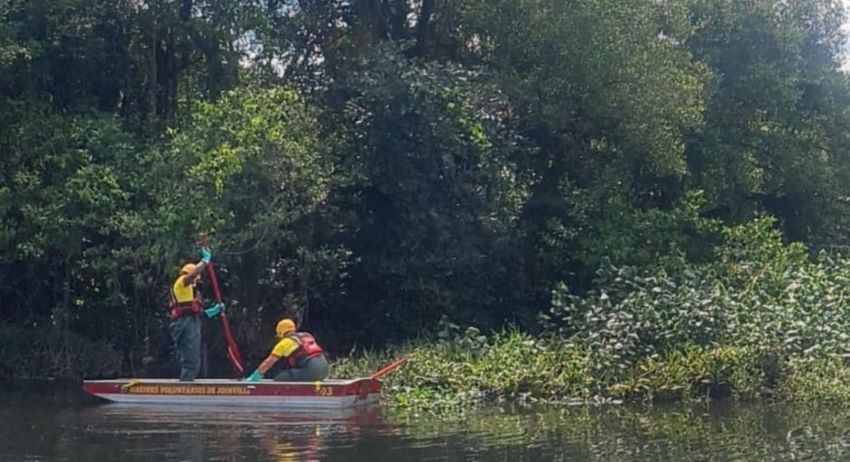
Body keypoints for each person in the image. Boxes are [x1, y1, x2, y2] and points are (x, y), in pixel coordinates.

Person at [168, 246, 224, 381]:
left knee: (193, 356)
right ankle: (185, 385)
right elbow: (191, 276)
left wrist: (213, 311)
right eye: (195, 277)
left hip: (192, 321)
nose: (196, 280)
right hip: (183, 323)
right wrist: (204, 262)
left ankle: (187, 381)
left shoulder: (193, 292)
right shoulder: (181, 283)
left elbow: (197, 312)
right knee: (190, 357)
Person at [245, 318, 329, 382]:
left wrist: (256, 376)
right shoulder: (307, 335)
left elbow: (268, 362)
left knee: (280, 377)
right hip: (325, 370)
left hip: (311, 371)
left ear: (280, 333)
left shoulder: (285, 343)